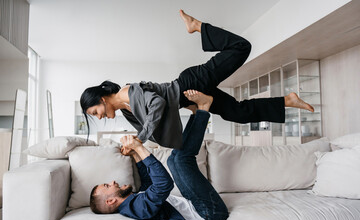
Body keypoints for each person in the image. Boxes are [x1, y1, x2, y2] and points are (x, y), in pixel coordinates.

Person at [80, 10, 314, 149]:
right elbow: (151, 129)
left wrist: (139, 139)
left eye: (94, 111)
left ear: (100, 98)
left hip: (191, 82)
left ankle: (198, 26)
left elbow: (158, 105)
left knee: (241, 47)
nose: (98, 117)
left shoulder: (127, 93)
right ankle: (287, 100)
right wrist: (133, 144)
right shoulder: (126, 110)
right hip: (191, 95)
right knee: (238, 114)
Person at [89, 91, 229, 220]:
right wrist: (139, 147)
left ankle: (196, 113)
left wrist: (135, 155)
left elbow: (148, 182)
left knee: (173, 160)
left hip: (197, 205)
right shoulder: (137, 209)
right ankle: (204, 108)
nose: (112, 181)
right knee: (181, 160)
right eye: (107, 186)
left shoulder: (133, 203)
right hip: (210, 213)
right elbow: (163, 184)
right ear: (111, 200)